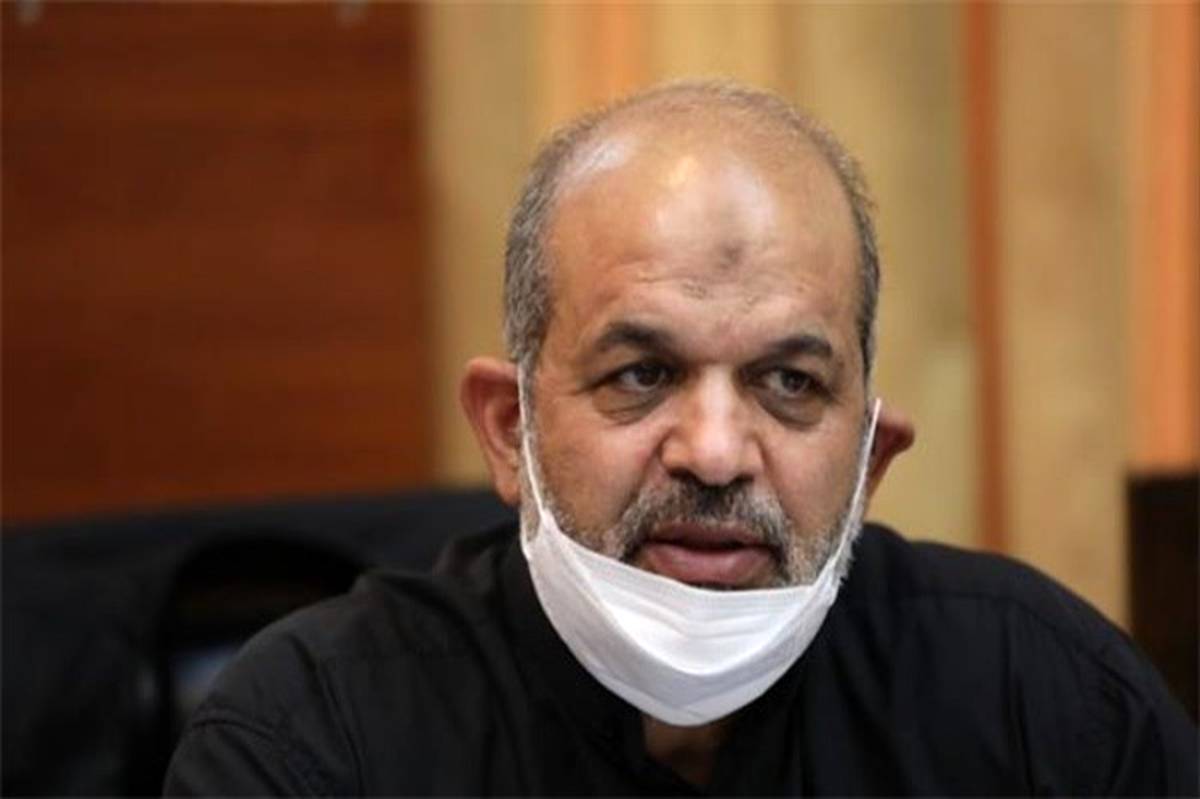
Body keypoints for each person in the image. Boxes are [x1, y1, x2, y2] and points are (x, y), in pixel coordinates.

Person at [164, 80, 1197, 795]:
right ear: (510, 429)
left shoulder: (1045, 708)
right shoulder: (316, 740)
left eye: (789, 383)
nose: (714, 451)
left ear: (870, 461)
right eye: (642, 374)